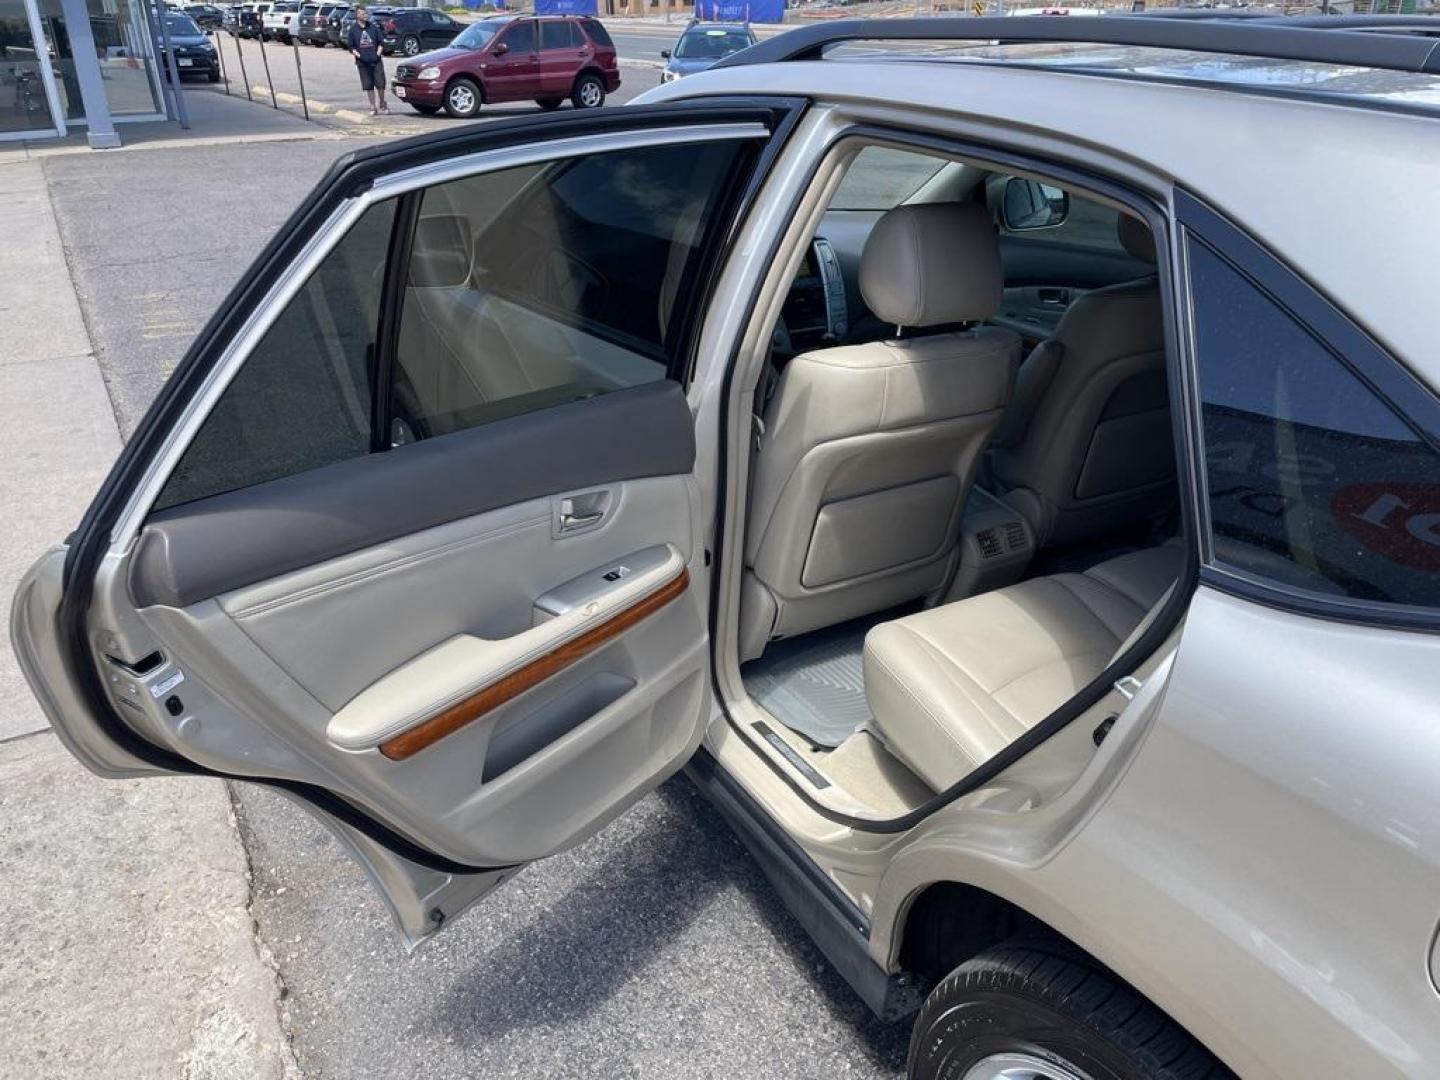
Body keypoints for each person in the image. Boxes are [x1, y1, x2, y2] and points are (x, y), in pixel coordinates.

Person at [347, 6, 389, 116]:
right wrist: (358, 55)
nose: (365, 15)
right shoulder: (353, 30)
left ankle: (382, 103)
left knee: (380, 84)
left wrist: (377, 54)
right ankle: (372, 106)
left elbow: (381, 43)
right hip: (363, 62)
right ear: (357, 15)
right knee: (368, 85)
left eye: (366, 13)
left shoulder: (373, 28)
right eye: (363, 13)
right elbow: (351, 47)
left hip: (376, 61)